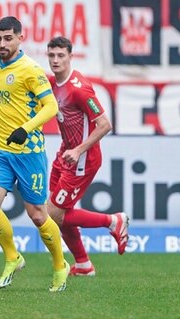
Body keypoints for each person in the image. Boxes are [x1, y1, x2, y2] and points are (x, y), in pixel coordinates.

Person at [0, 16, 69, 292]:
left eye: (8, 38)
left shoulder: (31, 70)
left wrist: (27, 128)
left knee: (39, 216)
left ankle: (59, 265)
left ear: (20, 38)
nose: (2, 43)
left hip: (29, 152)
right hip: (0, 152)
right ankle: (12, 256)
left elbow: (51, 106)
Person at [46, 36, 129, 276]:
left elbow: (104, 124)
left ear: (71, 57)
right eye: (51, 55)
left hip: (82, 159)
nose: (55, 60)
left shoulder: (78, 89)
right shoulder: (53, 83)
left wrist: (79, 149)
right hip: (66, 154)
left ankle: (113, 221)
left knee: (52, 214)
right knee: (58, 213)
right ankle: (83, 264)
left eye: (61, 55)